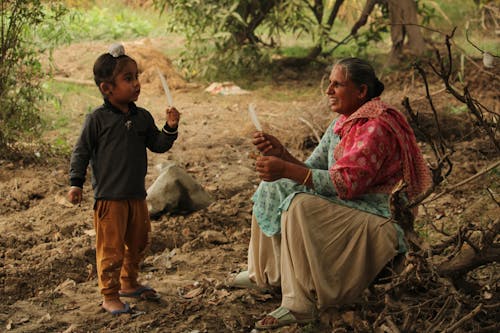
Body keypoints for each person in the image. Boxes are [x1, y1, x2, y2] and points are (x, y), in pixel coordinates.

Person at [232, 57, 432, 329]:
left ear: (361, 91)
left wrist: (286, 168)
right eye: (330, 84)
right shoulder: (343, 123)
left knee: (300, 204)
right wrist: (282, 156)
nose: (328, 91)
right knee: (276, 185)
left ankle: (299, 303)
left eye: (337, 85)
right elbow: (311, 169)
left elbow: (347, 183)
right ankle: (266, 275)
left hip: (379, 216)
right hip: (353, 203)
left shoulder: (376, 126)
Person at [67, 43, 180, 315]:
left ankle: (129, 282)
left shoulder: (142, 117)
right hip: (110, 199)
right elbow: (81, 151)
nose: (136, 83)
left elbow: (158, 144)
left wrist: (170, 128)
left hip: (136, 196)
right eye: (128, 79)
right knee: (111, 250)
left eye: (136, 76)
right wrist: (75, 182)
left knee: (139, 241)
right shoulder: (97, 120)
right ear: (107, 89)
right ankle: (109, 295)